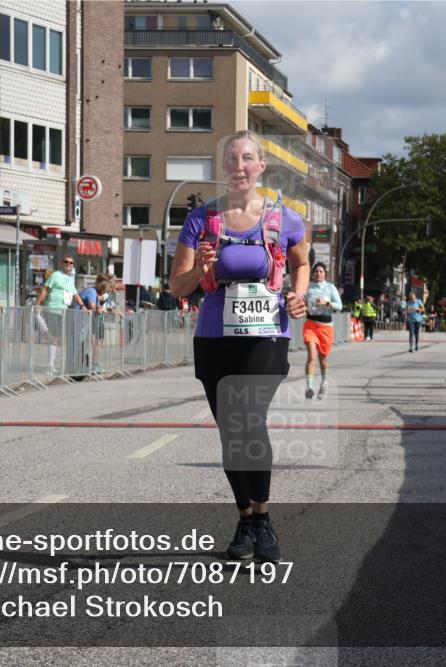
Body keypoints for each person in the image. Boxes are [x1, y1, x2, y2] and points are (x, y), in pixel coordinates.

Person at [169, 130, 309, 563]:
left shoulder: (286, 218)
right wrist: (203, 269)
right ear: (223, 169)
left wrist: (299, 294)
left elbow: (303, 261)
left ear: (261, 166)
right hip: (215, 335)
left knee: (248, 418)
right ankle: (246, 518)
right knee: (232, 431)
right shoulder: (201, 221)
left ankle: (263, 520)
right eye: (231, 159)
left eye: (248, 158)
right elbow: (178, 285)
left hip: (267, 332)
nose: (239, 166)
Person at [35, 256, 84, 372]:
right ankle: (50, 366)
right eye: (66, 262)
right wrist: (38, 303)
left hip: (63, 312)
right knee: (52, 338)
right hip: (52, 309)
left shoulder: (70, 279)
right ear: (62, 263)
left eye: (71, 263)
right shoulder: (56, 275)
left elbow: (75, 295)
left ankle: (52, 365)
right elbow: (45, 289)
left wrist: (83, 306)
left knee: (56, 338)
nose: (69, 264)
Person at [303, 262, 342, 399]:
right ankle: (309, 387)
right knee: (311, 356)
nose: (318, 273)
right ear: (313, 273)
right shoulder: (308, 287)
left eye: (321, 271)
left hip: (326, 327)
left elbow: (339, 306)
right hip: (311, 324)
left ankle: (324, 382)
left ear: (325, 273)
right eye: (316, 271)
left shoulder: (330, 287)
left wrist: (326, 303)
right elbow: (302, 302)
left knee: (323, 359)